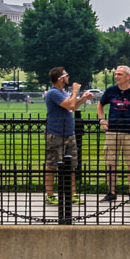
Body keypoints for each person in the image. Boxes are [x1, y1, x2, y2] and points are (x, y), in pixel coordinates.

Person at [95, 65, 130, 197]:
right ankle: (111, 192)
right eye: (115, 74)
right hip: (112, 130)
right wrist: (102, 120)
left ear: (128, 77)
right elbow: (100, 104)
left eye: (119, 74)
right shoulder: (110, 91)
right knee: (110, 162)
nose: (116, 76)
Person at [42, 69, 90, 200]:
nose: (68, 77)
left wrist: (83, 98)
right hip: (55, 133)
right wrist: (74, 91)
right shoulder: (53, 93)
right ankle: (50, 195)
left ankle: (72, 194)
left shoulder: (62, 92)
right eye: (66, 75)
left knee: (71, 166)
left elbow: (73, 107)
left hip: (69, 133)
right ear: (60, 79)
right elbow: (69, 105)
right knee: (52, 165)